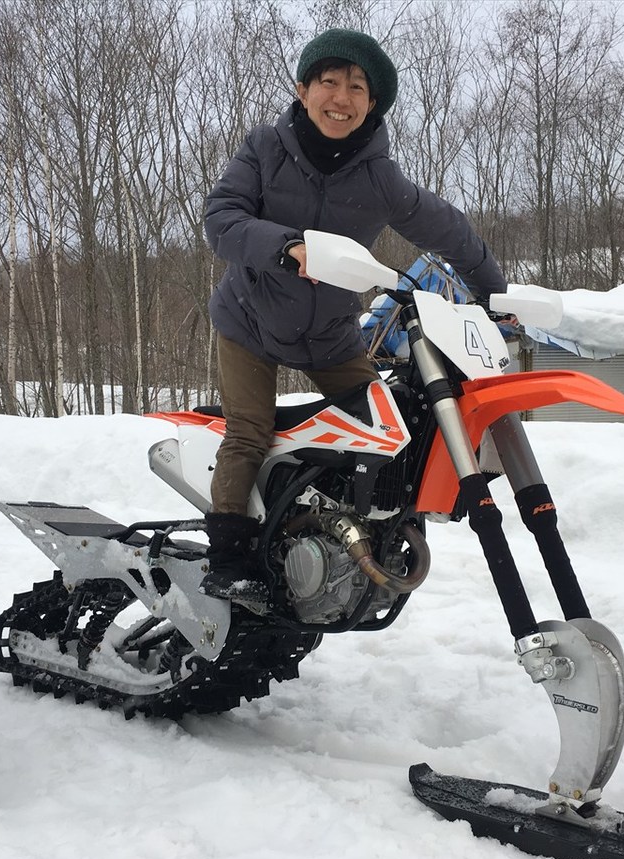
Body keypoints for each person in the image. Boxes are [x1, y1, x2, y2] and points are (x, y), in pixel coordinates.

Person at [201, 27, 507, 601]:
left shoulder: (379, 178)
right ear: (303, 88)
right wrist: (287, 246)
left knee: (385, 430)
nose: (341, 97)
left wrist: (495, 297)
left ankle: (355, 535)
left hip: (330, 335)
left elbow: (451, 232)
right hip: (251, 322)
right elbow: (222, 220)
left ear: (372, 105)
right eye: (330, 81)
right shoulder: (265, 149)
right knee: (248, 431)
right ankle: (230, 559)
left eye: (357, 88)